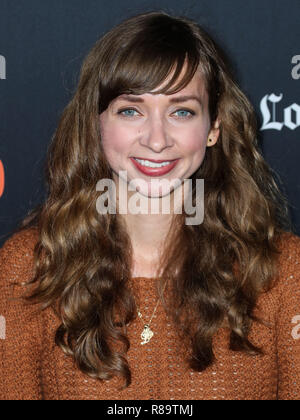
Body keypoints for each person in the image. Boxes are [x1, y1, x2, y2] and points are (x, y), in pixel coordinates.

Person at [0, 10, 299, 401]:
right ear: (96, 123)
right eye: (131, 110)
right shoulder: (28, 268)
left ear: (213, 128)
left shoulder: (283, 273)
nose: (156, 140)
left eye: (181, 111)